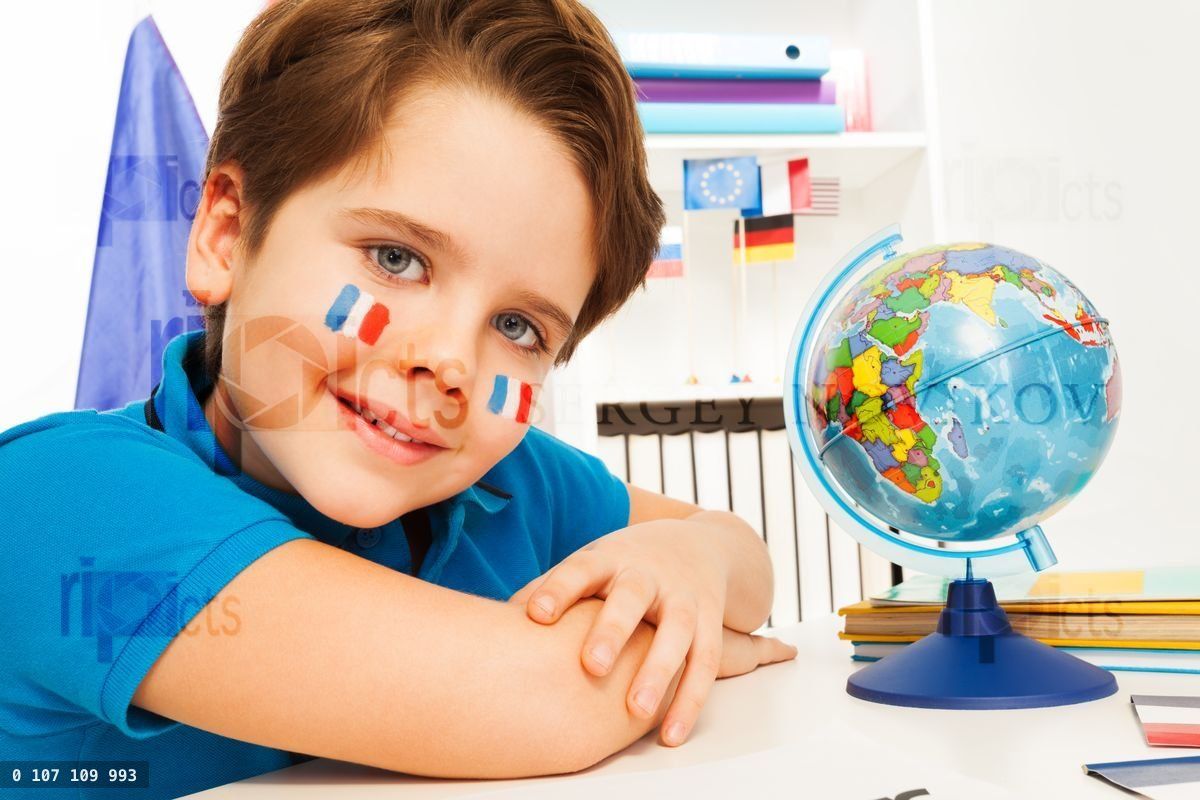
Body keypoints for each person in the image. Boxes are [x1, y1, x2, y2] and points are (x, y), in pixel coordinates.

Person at [0, 1, 796, 797]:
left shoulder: (506, 484)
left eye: (517, 326)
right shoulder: (57, 502)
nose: (449, 363)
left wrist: (692, 559)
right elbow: (537, 696)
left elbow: (742, 562)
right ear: (225, 235)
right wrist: (679, 634)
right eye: (396, 257)